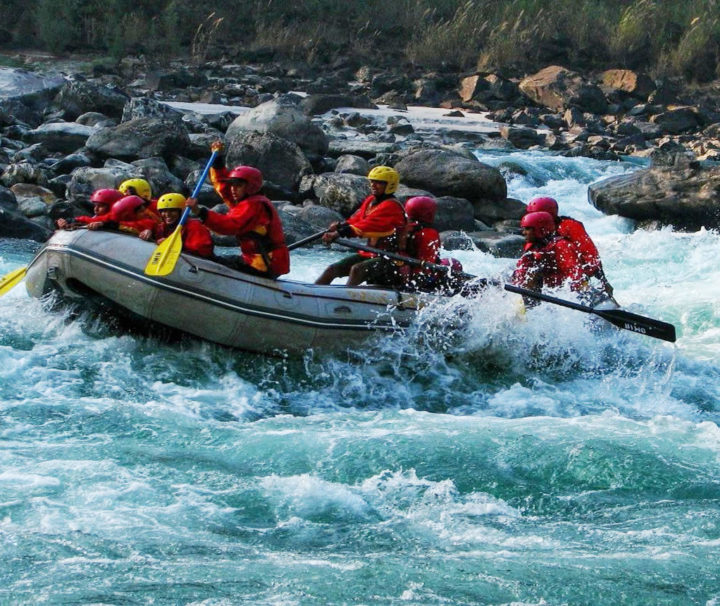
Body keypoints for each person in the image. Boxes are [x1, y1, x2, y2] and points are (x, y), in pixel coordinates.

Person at [185, 142, 289, 278]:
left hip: (264, 263)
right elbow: (223, 187)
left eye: (238, 186)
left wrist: (200, 212)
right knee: (216, 259)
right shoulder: (245, 199)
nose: (233, 189)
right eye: (232, 185)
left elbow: (230, 225)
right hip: (255, 259)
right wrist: (217, 161)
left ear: (250, 187)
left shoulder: (255, 205)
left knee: (213, 261)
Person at [315, 166, 407, 286]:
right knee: (331, 269)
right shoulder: (370, 201)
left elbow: (367, 225)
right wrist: (341, 225)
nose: (373, 185)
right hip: (370, 254)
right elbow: (359, 219)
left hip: (390, 259)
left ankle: (345, 298)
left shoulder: (392, 206)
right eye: (372, 181)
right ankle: (310, 293)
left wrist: (338, 233)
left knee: (356, 270)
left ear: (389, 185)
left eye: (379, 182)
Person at [525, 196, 614, 297]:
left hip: (574, 275)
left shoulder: (569, 227)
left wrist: (603, 281)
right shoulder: (536, 234)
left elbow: (590, 255)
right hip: (550, 278)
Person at [512, 211, 585, 295]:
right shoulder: (533, 248)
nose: (523, 233)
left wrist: (577, 293)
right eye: (524, 229)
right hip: (546, 290)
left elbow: (575, 274)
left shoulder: (561, 246)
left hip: (563, 292)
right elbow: (521, 272)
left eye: (528, 229)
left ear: (540, 229)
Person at [138, 193, 214, 258]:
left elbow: (204, 250)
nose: (167, 214)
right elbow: (149, 226)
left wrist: (176, 246)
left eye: (172, 210)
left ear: (182, 212)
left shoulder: (195, 226)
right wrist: (148, 230)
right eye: (163, 211)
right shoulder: (163, 227)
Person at [86, 194, 162, 235]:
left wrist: (102, 224)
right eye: (141, 211)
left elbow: (116, 224)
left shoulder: (149, 221)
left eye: (101, 206)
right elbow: (116, 223)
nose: (146, 212)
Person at [55, 188, 124, 229]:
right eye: (95, 205)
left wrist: (102, 224)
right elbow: (81, 220)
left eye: (100, 206)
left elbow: (114, 224)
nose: (96, 209)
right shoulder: (95, 218)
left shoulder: (119, 222)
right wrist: (64, 222)